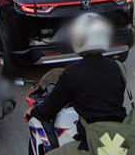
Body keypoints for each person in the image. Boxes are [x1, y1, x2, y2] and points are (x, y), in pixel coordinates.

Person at [26, 13, 128, 154]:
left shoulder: (72, 73)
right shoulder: (118, 67)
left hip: (90, 142)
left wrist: (33, 111)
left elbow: (48, 109)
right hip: (119, 137)